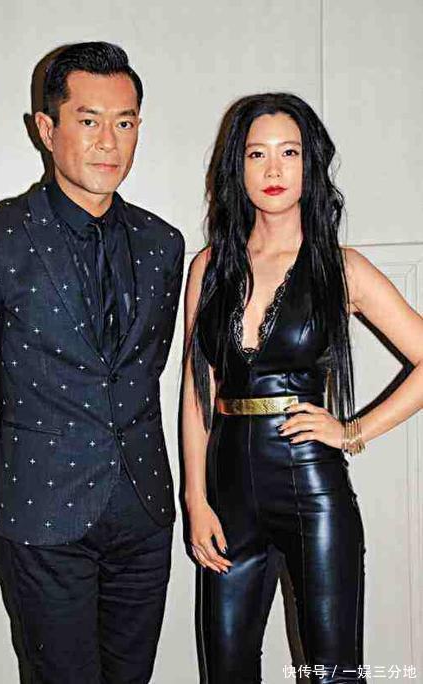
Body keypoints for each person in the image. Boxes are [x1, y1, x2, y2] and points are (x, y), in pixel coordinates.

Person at [0, 42, 184, 684]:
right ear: (46, 129)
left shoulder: (163, 244)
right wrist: (11, 482)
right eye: (88, 120)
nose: (108, 142)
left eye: (124, 122)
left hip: (144, 511)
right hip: (41, 516)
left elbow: (146, 373)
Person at [181, 92, 423, 683]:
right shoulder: (208, 267)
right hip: (227, 495)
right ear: (236, 168)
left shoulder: (341, 267)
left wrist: (354, 430)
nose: (273, 168)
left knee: (331, 674)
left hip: (312, 489)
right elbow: (196, 391)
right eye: (256, 154)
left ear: (310, 164)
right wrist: (195, 498)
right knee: (226, 671)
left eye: (289, 152)